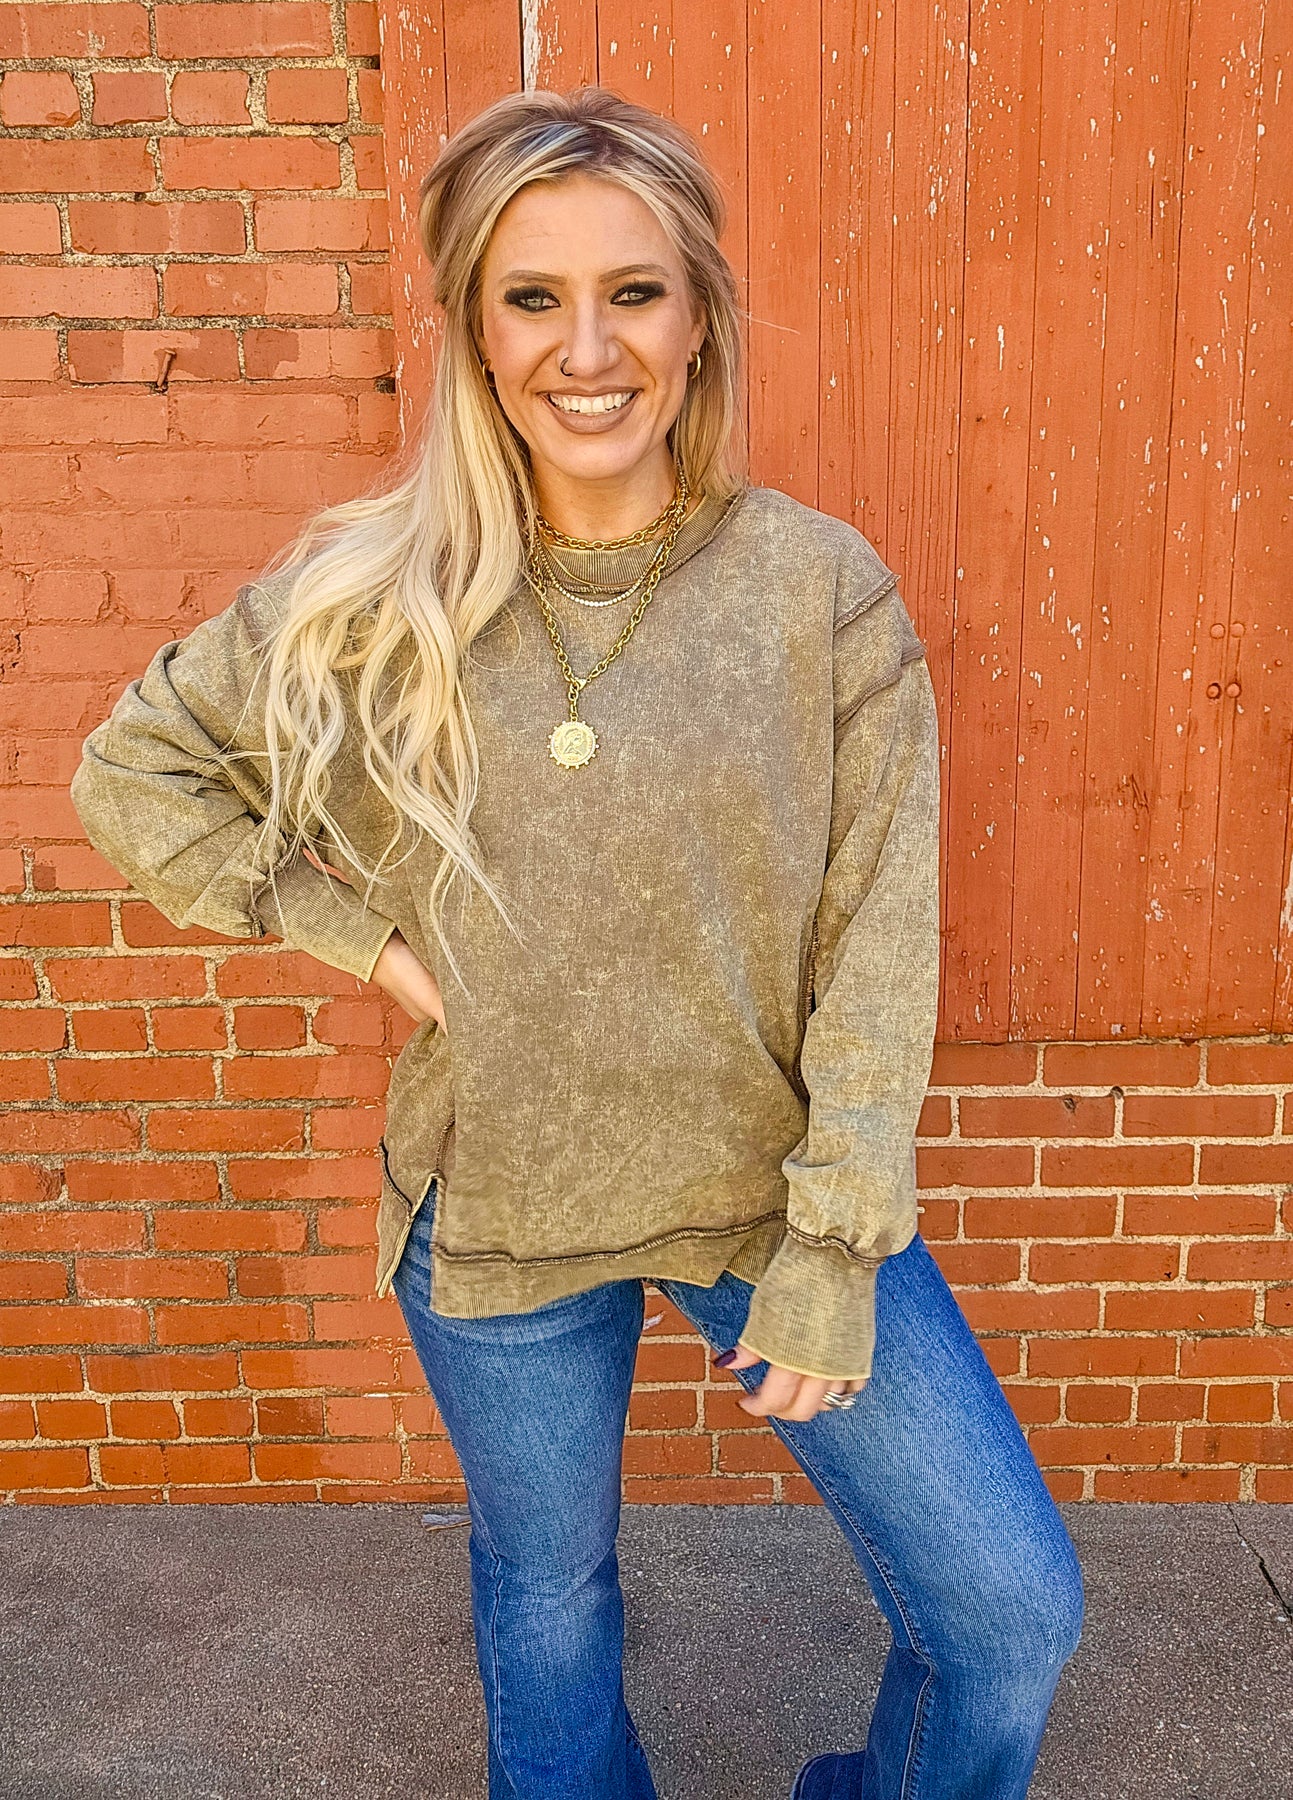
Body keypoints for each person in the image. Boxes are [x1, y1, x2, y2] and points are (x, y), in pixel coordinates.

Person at [69, 84, 1084, 1800]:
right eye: (532, 297)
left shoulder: (813, 589)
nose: (586, 350)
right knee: (548, 1599)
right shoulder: (372, 598)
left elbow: (876, 934)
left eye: (633, 292)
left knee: (1008, 1614)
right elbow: (133, 773)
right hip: (498, 1205)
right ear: (475, 328)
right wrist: (363, 940)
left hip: (763, 1190)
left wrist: (833, 1243)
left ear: (697, 320)